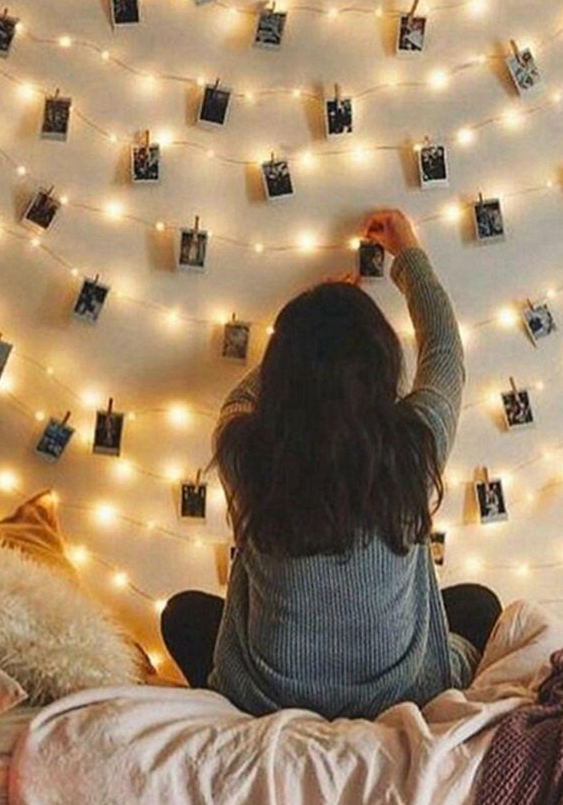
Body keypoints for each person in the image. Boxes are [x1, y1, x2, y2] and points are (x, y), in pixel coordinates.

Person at [161, 209, 502, 719]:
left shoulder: (245, 450)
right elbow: (446, 351)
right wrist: (407, 254)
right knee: (478, 606)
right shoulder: (415, 444)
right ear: (382, 364)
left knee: (183, 615)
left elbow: (241, 396)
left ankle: (234, 709)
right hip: (399, 697)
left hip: (270, 699)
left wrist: (303, 342)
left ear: (281, 371)